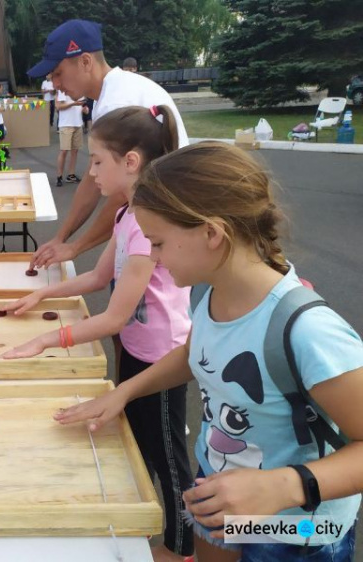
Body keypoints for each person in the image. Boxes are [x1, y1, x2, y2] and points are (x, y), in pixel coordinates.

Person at [56, 142, 363, 562]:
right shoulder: (210, 292)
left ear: (211, 233)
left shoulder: (308, 331)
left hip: (297, 529)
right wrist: (124, 392)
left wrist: (286, 485)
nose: (155, 259)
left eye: (158, 243)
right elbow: (194, 354)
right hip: (218, 486)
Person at [1, 105, 193, 562]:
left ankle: (182, 547)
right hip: (135, 349)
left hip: (161, 359)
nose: (91, 173)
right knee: (139, 443)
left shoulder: (148, 228)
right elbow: (95, 277)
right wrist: (41, 298)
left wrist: (47, 340)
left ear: (130, 161)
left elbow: (114, 317)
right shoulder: (129, 212)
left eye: (97, 161)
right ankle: (152, 526)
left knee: (168, 456)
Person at [26, 19, 189, 270]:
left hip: (161, 235)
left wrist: (75, 247)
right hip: (154, 225)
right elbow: (92, 180)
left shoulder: (116, 103)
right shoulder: (115, 92)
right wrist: (61, 237)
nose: (55, 84)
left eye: (58, 73)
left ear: (85, 61)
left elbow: (124, 192)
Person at [55, 90, 85, 186]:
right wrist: (73, 104)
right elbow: (59, 106)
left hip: (78, 123)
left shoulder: (80, 90)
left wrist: (84, 109)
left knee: (75, 150)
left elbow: (82, 105)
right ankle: (59, 176)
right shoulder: (62, 90)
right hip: (66, 124)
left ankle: (71, 175)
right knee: (64, 151)